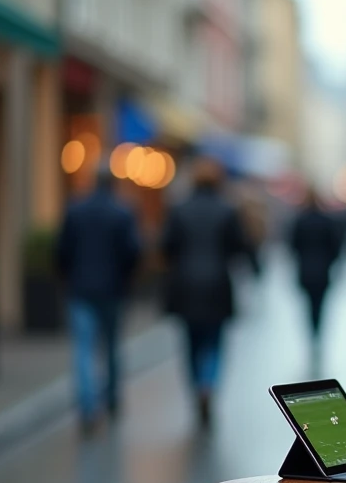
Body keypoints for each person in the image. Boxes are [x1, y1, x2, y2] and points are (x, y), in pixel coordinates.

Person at [162, 156, 257, 427]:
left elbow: (167, 245)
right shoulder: (227, 210)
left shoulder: (179, 209)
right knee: (214, 343)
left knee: (191, 343)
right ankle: (208, 384)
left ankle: (196, 387)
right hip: (217, 285)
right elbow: (239, 246)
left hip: (186, 285)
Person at [56, 166, 142, 433]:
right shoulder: (123, 212)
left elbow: (62, 250)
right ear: (113, 184)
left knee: (83, 349)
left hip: (81, 289)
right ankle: (111, 399)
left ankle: (88, 407)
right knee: (112, 347)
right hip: (113, 291)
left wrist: (68, 276)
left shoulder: (75, 209)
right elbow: (133, 252)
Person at [288, 188, 344, 349]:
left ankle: (311, 332)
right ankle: (317, 332)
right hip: (323, 271)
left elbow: (293, 246)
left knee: (308, 305)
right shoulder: (327, 221)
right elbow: (335, 247)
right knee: (320, 304)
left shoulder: (300, 221)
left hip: (305, 270)